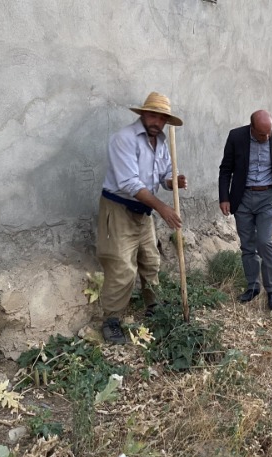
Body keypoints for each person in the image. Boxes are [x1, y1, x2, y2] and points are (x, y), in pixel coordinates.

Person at [96, 92, 187, 344]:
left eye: (162, 117)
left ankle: (154, 307)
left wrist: (173, 182)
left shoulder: (161, 142)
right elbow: (128, 183)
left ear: (166, 121)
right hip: (119, 208)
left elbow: (164, 174)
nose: (156, 121)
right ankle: (112, 320)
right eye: (152, 115)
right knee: (121, 265)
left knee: (150, 259)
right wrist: (162, 208)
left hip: (144, 210)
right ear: (143, 114)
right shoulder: (123, 139)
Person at [219, 110, 272, 311]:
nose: (267, 137)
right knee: (248, 245)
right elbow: (225, 169)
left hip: (268, 196)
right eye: (261, 134)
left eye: (269, 133)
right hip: (242, 198)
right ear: (252, 128)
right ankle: (252, 287)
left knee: (264, 242)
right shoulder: (236, 136)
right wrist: (225, 197)